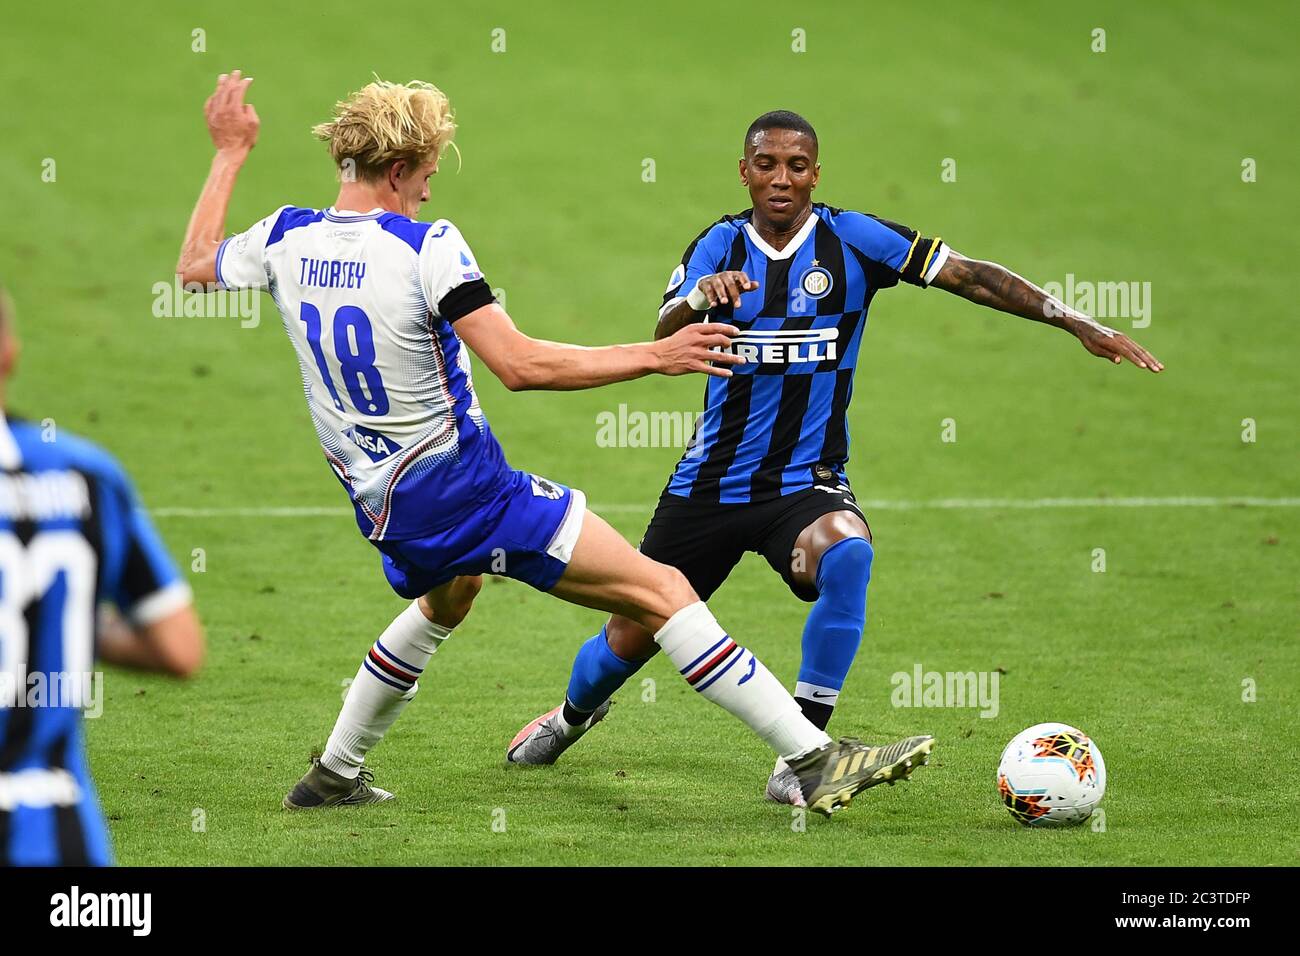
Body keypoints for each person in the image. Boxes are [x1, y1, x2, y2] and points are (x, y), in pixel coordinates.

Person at [176, 74, 935, 817]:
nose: (430, 193)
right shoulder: (425, 247)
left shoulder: (282, 237)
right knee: (664, 592)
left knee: (452, 593)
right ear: (400, 170)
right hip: (470, 492)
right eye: (426, 177)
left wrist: (230, 152)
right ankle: (814, 760)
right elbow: (519, 366)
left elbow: (194, 266)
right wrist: (655, 355)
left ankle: (334, 774)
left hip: (379, 502)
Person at [508, 110, 1162, 806]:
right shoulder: (719, 245)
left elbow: (969, 276)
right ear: (744, 171)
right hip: (709, 487)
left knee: (849, 555)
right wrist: (702, 297)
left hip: (805, 483)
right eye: (767, 165)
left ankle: (803, 760)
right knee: (629, 636)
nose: (781, 178)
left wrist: (1072, 319)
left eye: (797, 165)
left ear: (816, 173)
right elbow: (664, 329)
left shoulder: (855, 240)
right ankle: (572, 717)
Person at [0, 284, 205, 865]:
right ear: (11, 352)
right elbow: (180, 648)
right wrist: (56, 621)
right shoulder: (86, 477)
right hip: (59, 832)